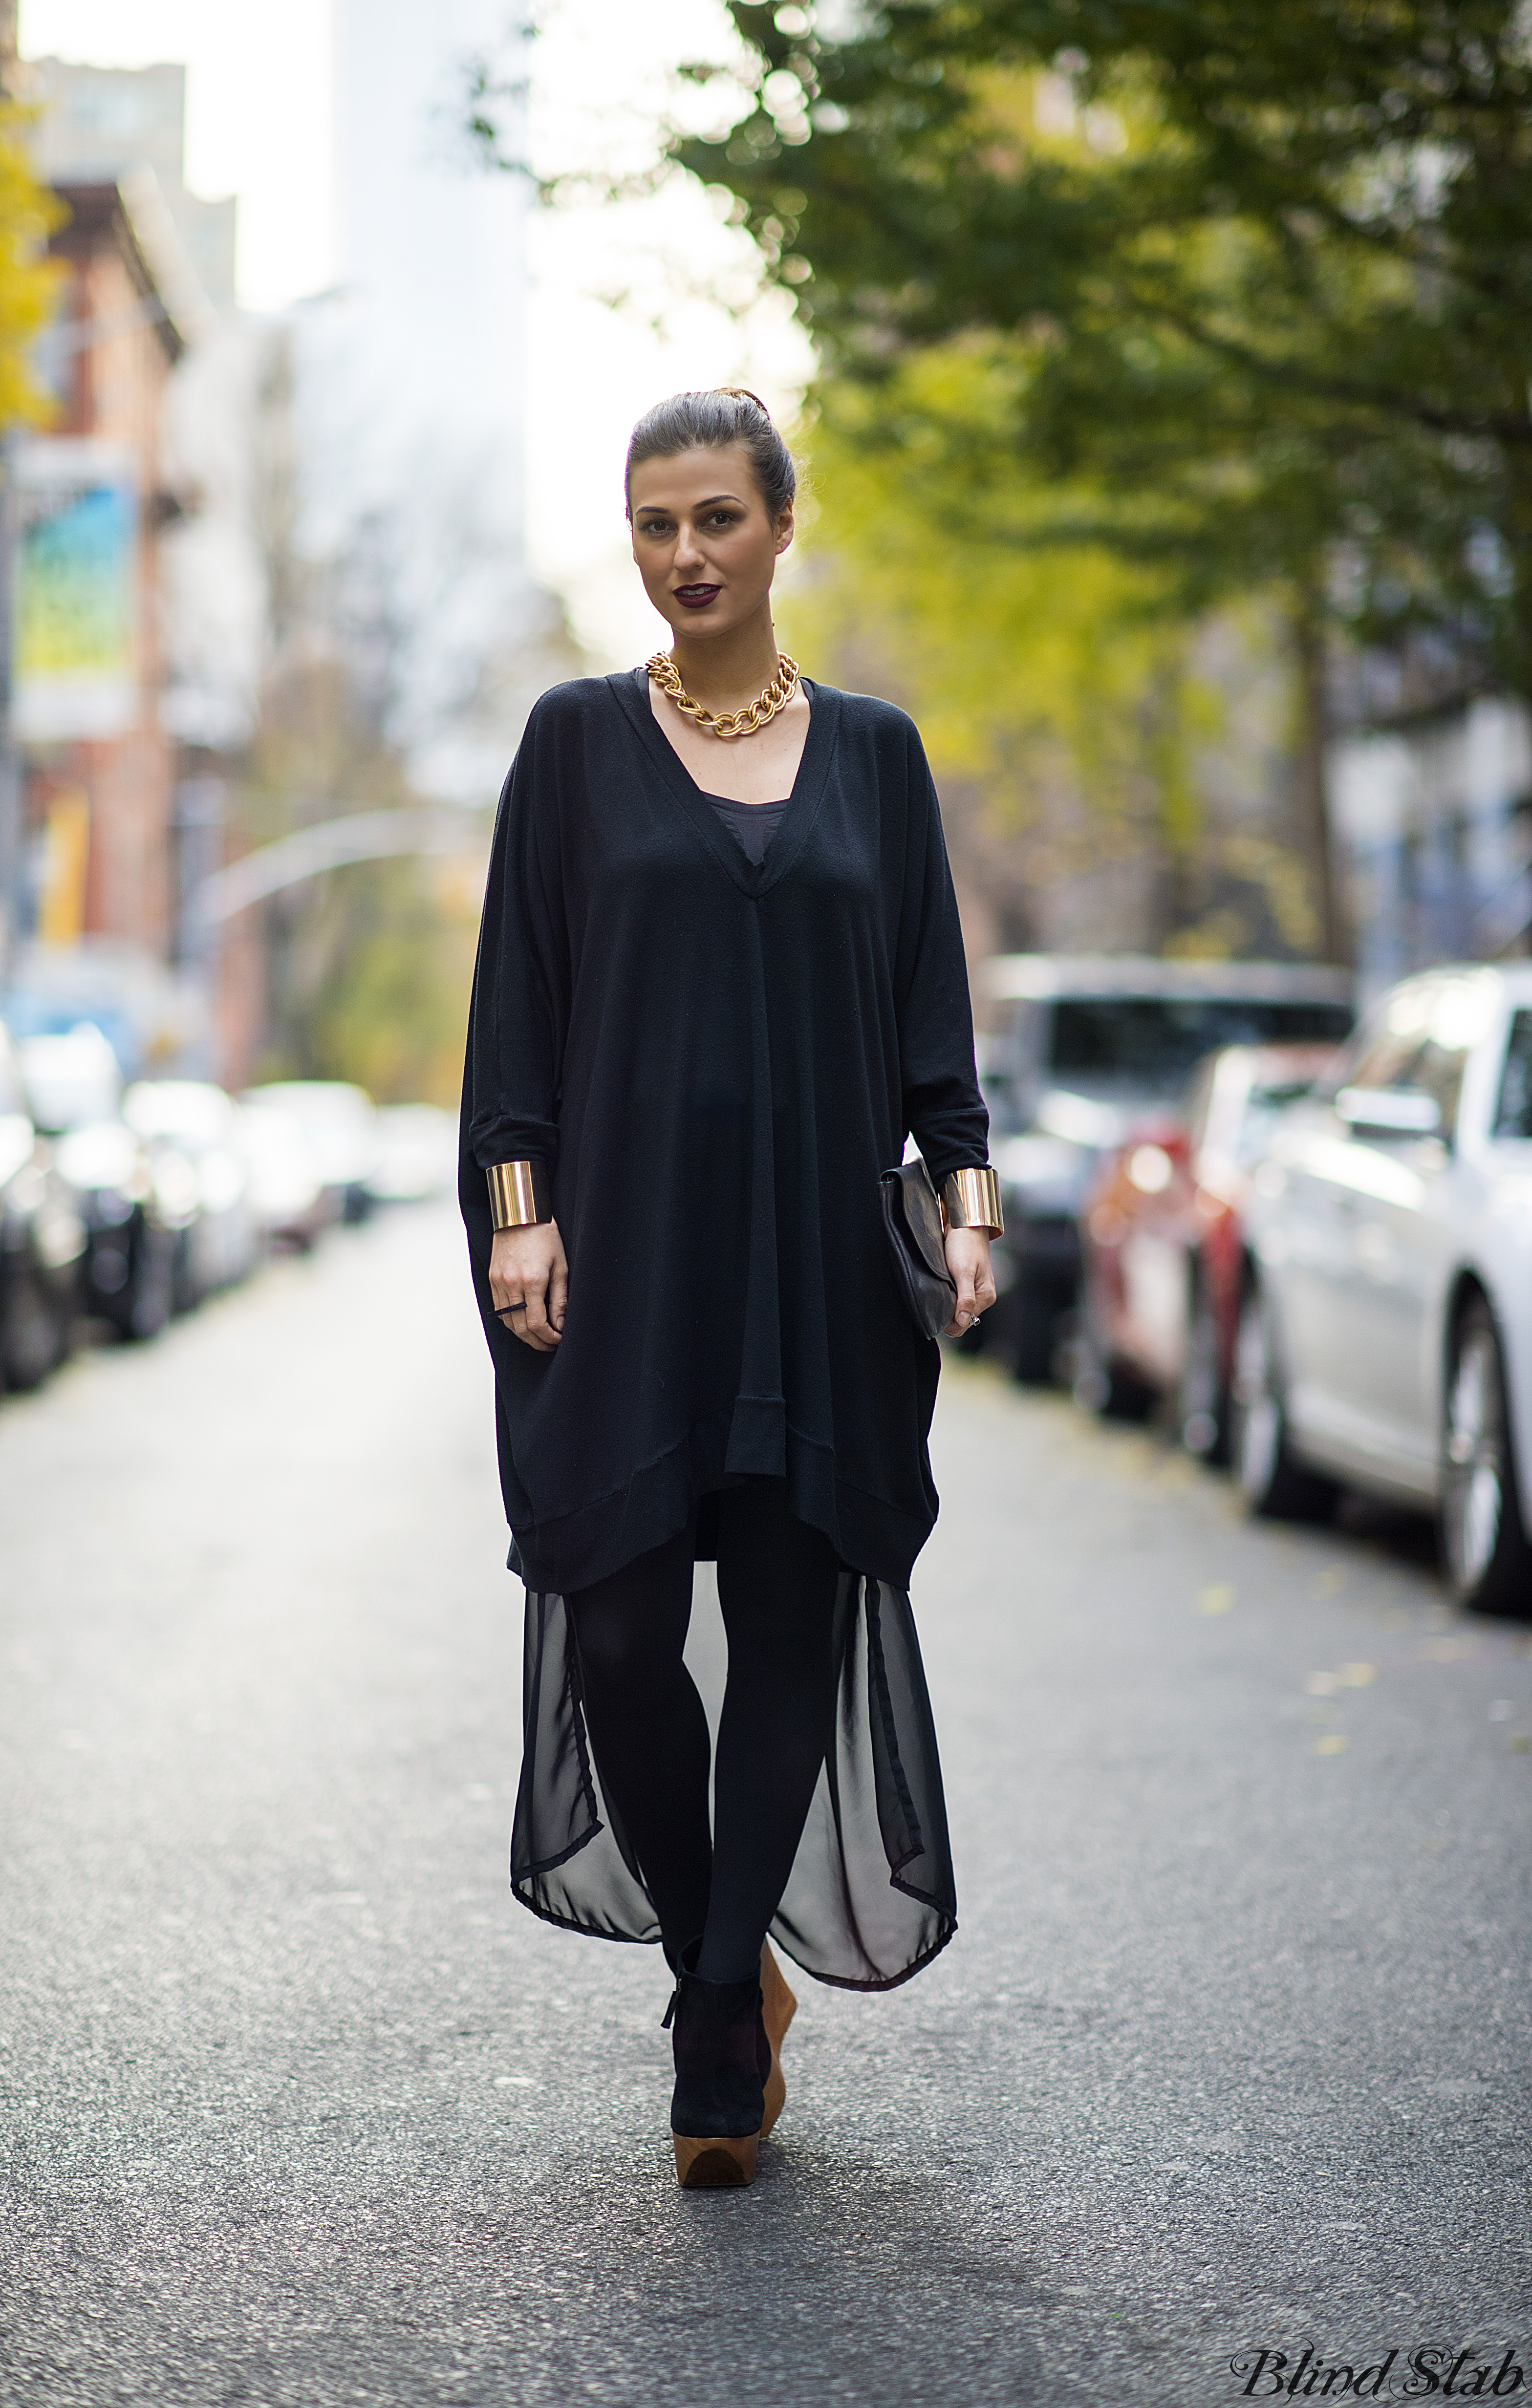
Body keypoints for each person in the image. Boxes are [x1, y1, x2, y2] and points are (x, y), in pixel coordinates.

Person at [459, 387, 999, 2190]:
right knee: (616, 1621)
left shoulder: (877, 758)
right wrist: (518, 1208)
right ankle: (729, 1959)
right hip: (626, 1252)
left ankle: (709, 2015)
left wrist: (967, 1201)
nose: (684, 555)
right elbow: (517, 1004)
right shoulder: (575, 745)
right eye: (655, 524)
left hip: (818, 1263)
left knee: (784, 1615)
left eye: (716, 520)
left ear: (783, 528)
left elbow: (935, 1025)